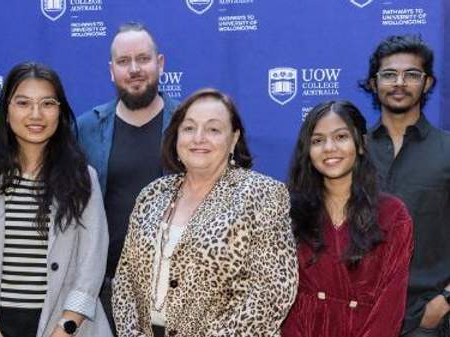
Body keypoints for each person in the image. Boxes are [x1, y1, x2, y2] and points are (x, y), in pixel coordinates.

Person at [112, 88, 298, 337]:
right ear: (176, 136)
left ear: (233, 139)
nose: (198, 138)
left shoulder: (263, 194)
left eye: (213, 129)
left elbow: (272, 290)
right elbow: (125, 279)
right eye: (189, 128)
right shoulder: (152, 194)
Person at [0, 62, 112, 337]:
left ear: (59, 111)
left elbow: (91, 264)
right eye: (23, 103)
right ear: (6, 111)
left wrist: (64, 330)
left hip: (65, 328)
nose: (35, 114)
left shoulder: (83, 178)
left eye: (47, 103)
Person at [77, 21, 179, 330]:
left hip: (178, 289)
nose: (134, 69)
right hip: (107, 290)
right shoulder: (87, 128)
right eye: (124, 61)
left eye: (143, 59)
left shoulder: (189, 126)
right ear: (112, 70)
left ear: (159, 64)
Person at [282, 100, 414, 337]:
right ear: (308, 151)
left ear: (361, 144)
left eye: (341, 137)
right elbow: (282, 299)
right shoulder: (288, 212)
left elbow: (390, 305)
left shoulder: (393, 215)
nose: (329, 148)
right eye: (317, 140)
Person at [359, 35, 450, 337]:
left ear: (428, 83)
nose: (399, 82)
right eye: (389, 74)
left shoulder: (447, 149)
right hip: (360, 314)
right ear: (373, 84)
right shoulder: (351, 151)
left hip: (427, 318)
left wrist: (445, 299)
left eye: (411, 74)